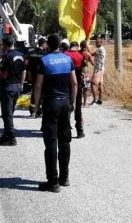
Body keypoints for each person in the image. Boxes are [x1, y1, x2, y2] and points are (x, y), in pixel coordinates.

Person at [32, 34, 77, 192]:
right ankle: (64, 177)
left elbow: (38, 86)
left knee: (51, 143)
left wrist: (36, 106)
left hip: (51, 104)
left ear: (48, 45)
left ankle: (53, 181)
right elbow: (74, 83)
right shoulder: (67, 59)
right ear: (59, 45)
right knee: (64, 142)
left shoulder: (44, 61)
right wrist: (72, 102)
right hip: (65, 103)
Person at [0, 37, 26, 145]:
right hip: (17, 86)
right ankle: (6, 133)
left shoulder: (6, 56)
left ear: (4, 45)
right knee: (10, 112)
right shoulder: (21, 55)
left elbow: (0, 71)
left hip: (8, 87)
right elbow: (24, 71)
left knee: (7, 113)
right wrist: (21, 84)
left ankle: (11, 137)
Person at [65, 41, 86, 138]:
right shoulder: (80, 56)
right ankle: (79, 131)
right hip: (78, 85)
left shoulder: (65, 55)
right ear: (77, 47)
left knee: (67, 108)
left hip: (66, 85)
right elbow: (84, 71)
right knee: (78, 108)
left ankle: (67, 130)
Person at [27, 37, 47, 116]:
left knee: (33, 92)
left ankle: (32, 111)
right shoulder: (44, 54)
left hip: (33, 75)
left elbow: (28, 64)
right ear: (43, 44)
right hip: (41, 76)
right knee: (41, 92)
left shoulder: (31, 53)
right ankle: (39, 110)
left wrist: (29, 73)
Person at [91, 38, 106, 105]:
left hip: (98, 69)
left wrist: (87, 47)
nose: (95, 44)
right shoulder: (102, 49)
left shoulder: (99, 49)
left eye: (97, 43)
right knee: (100, 84)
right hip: (101, 68)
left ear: (100, 43)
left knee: (93, 84)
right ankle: (100, 100)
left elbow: (91, 54)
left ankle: (95, 100)